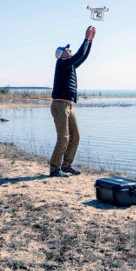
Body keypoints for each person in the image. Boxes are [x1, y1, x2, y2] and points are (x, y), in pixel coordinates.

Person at [49, 25, 96, 177]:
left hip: (68, 106)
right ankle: (54, 169)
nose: (70, 50)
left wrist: (90, 42)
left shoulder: (70, 66)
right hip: (59, 106)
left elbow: (83, 56)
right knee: (63, 138)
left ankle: (66, 165)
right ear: (61, 54)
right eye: (67, 49)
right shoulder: (62, 64)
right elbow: (78, 55)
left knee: (75, 137)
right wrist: (86, 39)